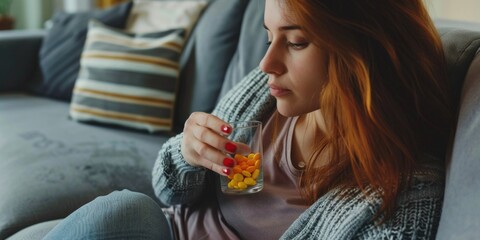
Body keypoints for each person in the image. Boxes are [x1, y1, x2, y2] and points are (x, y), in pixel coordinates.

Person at [43, 0, 453, 239]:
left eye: (296, 42)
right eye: (269, 35)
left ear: (363, 52)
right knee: (126, 211)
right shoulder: (265, 93)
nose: (266, 62)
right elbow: (170, 193)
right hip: (167, 232)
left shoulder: (402, 191)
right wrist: (187, 153)